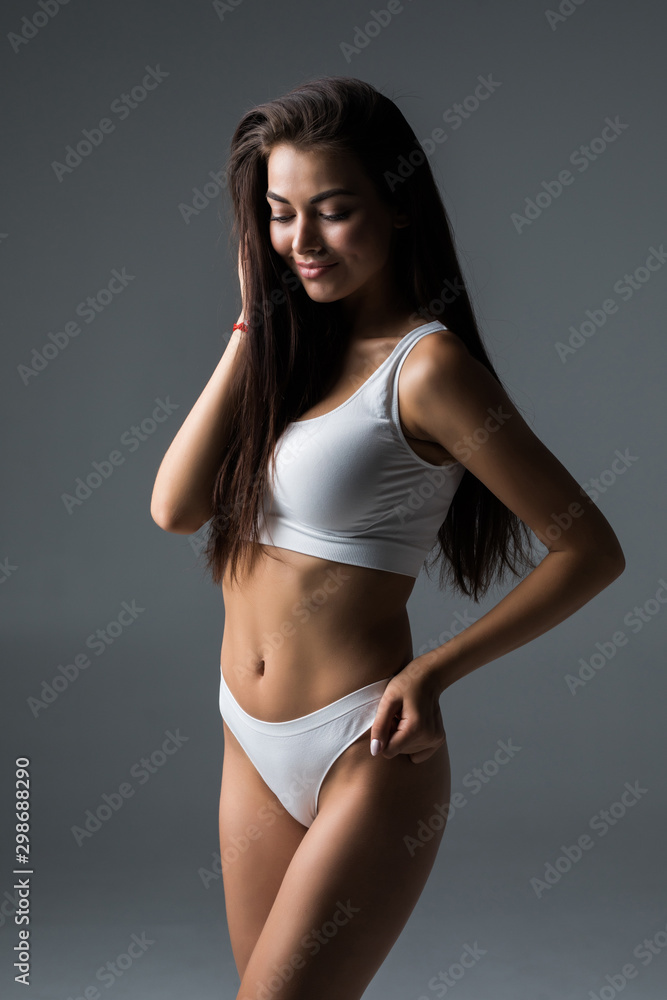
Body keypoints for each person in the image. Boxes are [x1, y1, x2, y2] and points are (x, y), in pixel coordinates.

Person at [150, 76, 625, 999]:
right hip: (246, 738)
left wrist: (431, 672)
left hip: (359, 750)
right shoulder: (288, 355)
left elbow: (590, 549)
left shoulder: (428, 368)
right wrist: (251, 322)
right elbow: (175, 507)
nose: (302, 242)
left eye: (332, 211)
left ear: (397, 208)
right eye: (281, 214)